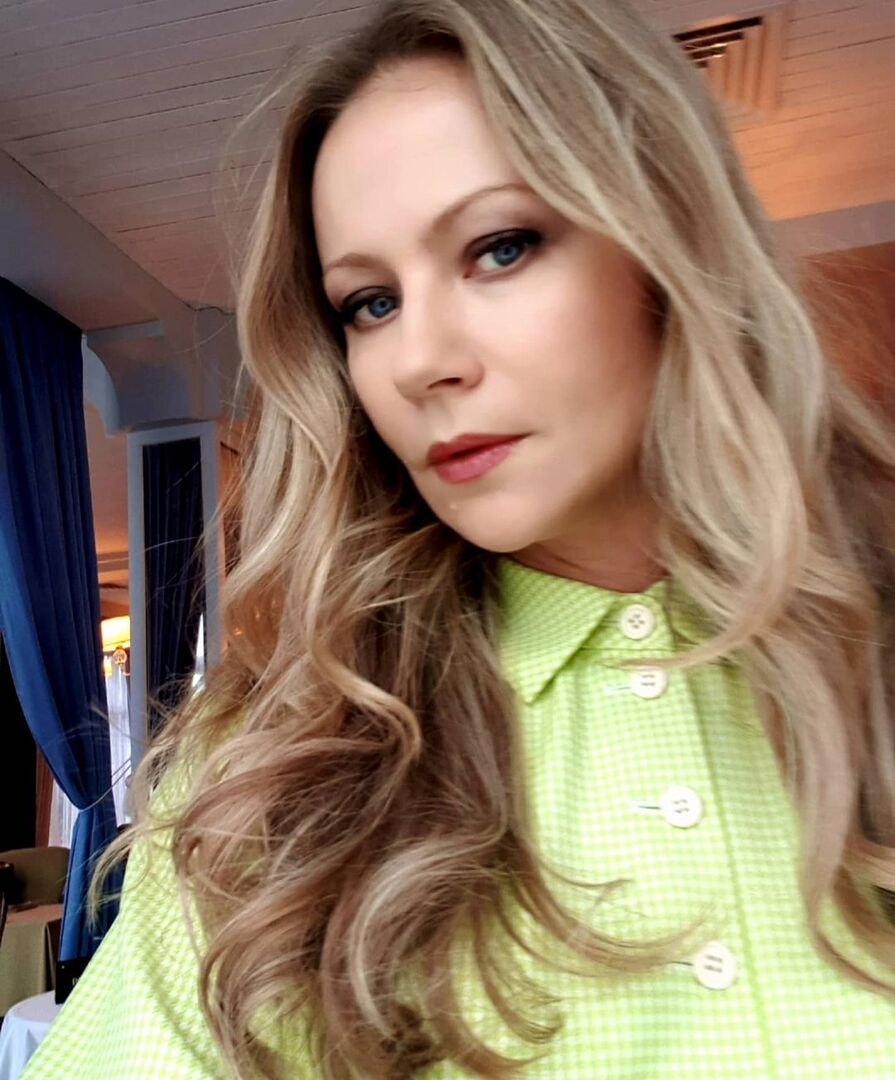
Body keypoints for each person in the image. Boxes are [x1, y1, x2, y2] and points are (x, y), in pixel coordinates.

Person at [23, 0, 895, 1077]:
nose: (420, 360)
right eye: (369, 303)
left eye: (500, 247)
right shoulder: (279, 775)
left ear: (666, 245)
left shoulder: (865, 659)